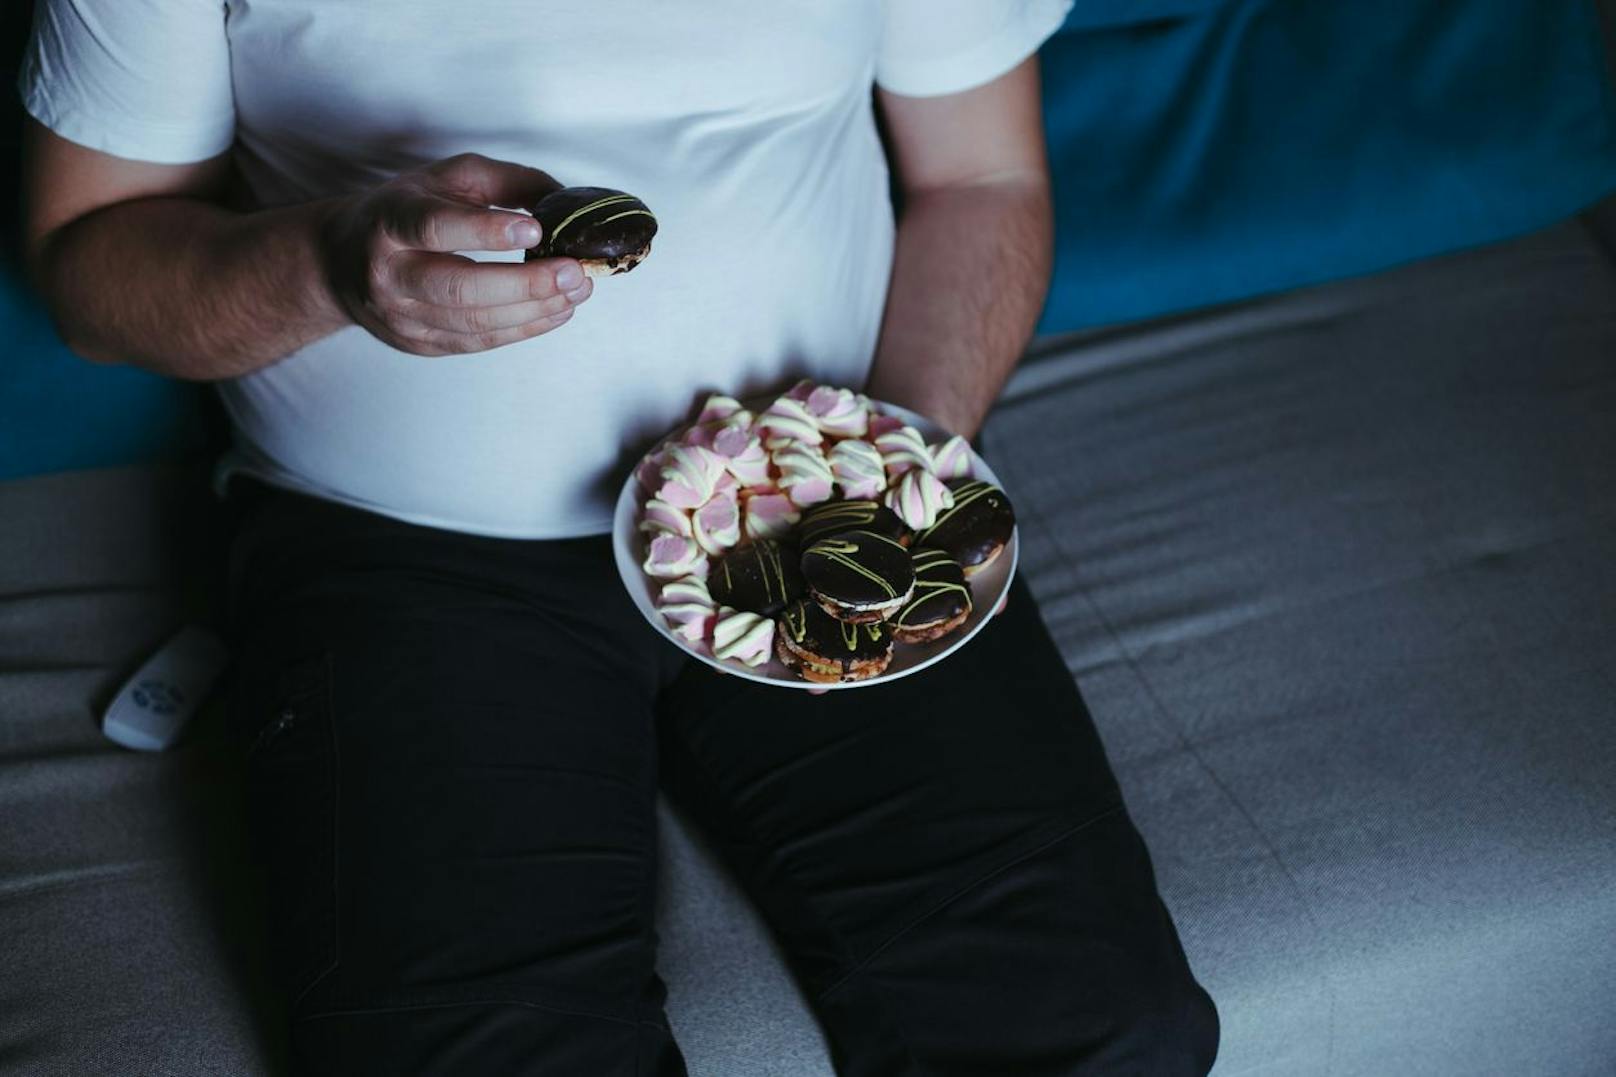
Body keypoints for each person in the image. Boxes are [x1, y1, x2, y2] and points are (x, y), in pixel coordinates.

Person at [19, 1, 1219, 1072]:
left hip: (827, 510)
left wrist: (896, 467)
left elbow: (981, 180)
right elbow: (92, 275)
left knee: (1098, 1033)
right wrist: (331, 268)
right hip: (402, 550)